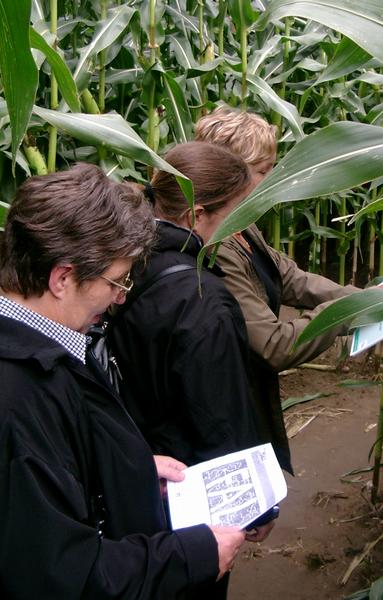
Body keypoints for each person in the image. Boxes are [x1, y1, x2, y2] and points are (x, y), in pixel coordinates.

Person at [0, 163, 243, 599]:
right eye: (116, 280)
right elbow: (60, 576)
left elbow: (39, 476)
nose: (120, 296)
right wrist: (193, 556)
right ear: (62, 278)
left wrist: (125, 472)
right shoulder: (11, 401)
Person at [106, 143, 279, 549]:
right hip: (189, 487)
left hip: (140, 474)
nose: (242, 225)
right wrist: (254, 505)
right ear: (197, 214)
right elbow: (220, 415)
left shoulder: (130, 258)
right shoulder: (202, 297)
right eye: (237, 212)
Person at [194, 107, 363, 473]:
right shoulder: (216, 246)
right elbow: (273, 346)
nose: (272, 180)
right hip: (227, 405)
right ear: (228, 173)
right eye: (262, 172)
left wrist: (362, 296)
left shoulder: (240, 224)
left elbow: (287, 276)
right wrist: (345, 313)